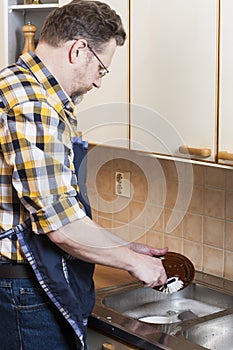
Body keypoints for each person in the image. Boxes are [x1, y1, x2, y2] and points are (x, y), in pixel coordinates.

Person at [0, 1, 168, 349]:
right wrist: (135, 263)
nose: (98, 83)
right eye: (102, 69)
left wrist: (123, 246)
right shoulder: (33, 105)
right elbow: (60, 228)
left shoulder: (15, 84)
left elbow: (58, 207)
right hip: (25, 291)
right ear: (79, 50)